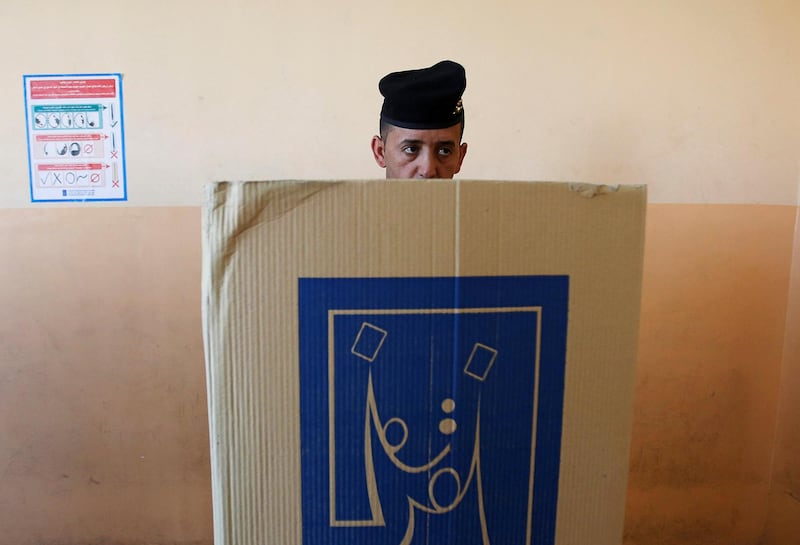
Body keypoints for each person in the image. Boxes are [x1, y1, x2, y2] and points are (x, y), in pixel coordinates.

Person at [371, 60, 468, 179]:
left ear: (460, 157)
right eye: (411, 149)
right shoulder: (348, 197)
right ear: (380, 152)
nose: (428, 171)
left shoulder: (488, 198)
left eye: (444, 151)